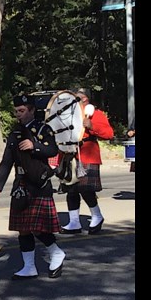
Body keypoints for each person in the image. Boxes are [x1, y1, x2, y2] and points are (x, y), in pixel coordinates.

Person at [0, 94, 67, 279]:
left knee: (38, 227)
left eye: (22, 111)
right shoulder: (15, 133)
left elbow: (53, 150)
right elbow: (6, 161)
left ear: (32, 110)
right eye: (16, 111)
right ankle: (29, 267)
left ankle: (56, 252)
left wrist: (35, 146)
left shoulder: (43, 129)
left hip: (39, 183)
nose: (18, 115)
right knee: (23, 228)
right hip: (21, 184)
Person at [59, 87, 114, 234]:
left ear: (86, 100)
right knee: (71, 190)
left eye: (78, 98)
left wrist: (92, 126)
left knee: (86, 189)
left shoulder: (96, 114)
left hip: (88, 155)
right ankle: (74, 222)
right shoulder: (67, 114)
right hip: (69, 156)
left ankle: (97, 215)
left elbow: (109, 134)